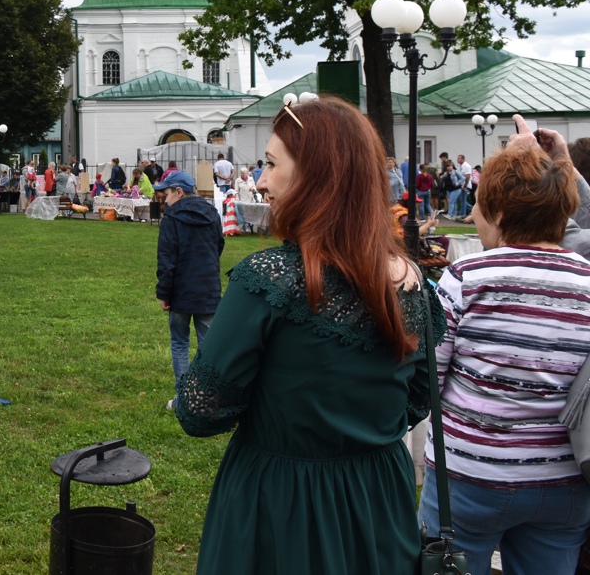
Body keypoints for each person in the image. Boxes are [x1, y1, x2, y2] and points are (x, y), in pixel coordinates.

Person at [175, 95, 437, 574]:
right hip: (378, 499)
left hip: (282, 504)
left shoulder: (268, 280)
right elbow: (418, 397)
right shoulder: (410, 281)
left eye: (272, 164)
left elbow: (199, 412)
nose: (261, 180)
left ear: (317, 176)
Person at [420, 122, 590, 575]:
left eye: (477, 207)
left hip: (471, 479)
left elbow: (427, 380)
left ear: (497, 212)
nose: (473, 217)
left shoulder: (467, 278)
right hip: (566, 481)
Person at [155, 170, 223, 410]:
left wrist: (164, 293)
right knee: (208, 346)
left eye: (166, 193)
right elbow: (218, 246)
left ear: (179, 192)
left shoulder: (172, 219)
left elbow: (166, 260)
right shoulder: (212, 214)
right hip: (208, 289)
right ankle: (206, 398)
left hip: (181, 291)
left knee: (180, 343)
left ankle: (186, 399)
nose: (164, 198)